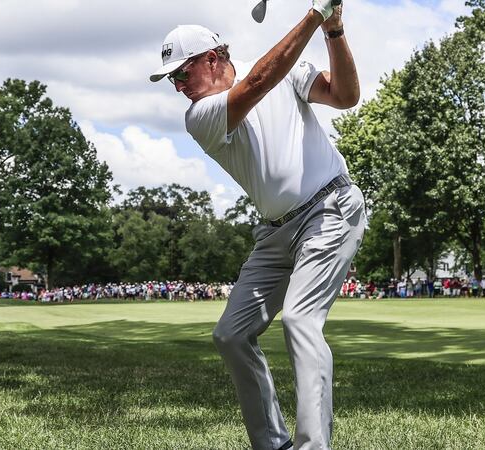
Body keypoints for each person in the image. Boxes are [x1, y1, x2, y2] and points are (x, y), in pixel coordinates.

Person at [150, 1, 363, 448]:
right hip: (274, 234)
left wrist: (334, 30)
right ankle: (273, 443)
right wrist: (315, 14)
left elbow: (345, 97)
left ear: (212, 58)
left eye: (181, 74)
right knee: (231, 334)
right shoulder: (200, 116)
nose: (177, 86)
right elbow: (259, 82)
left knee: (301, 321)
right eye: (172, 79)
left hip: (330, 208)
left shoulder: (286, 66)